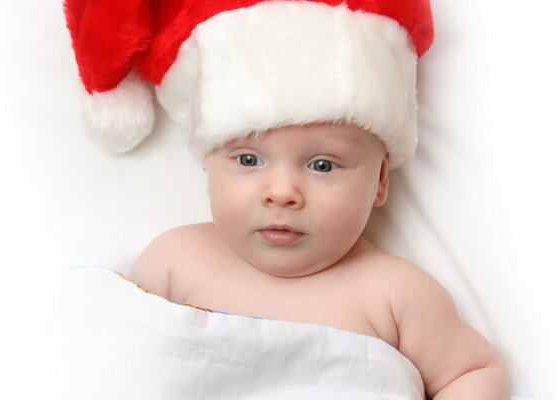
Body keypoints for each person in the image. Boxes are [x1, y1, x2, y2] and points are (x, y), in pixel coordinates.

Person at [65, 0, 510, 398]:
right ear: (207, 168)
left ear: (379, 182)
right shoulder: (173, 263)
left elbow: (472, 372)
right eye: (247, 159)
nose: (281, 193)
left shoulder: (399, 295)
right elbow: (111, 364)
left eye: (322, 165)